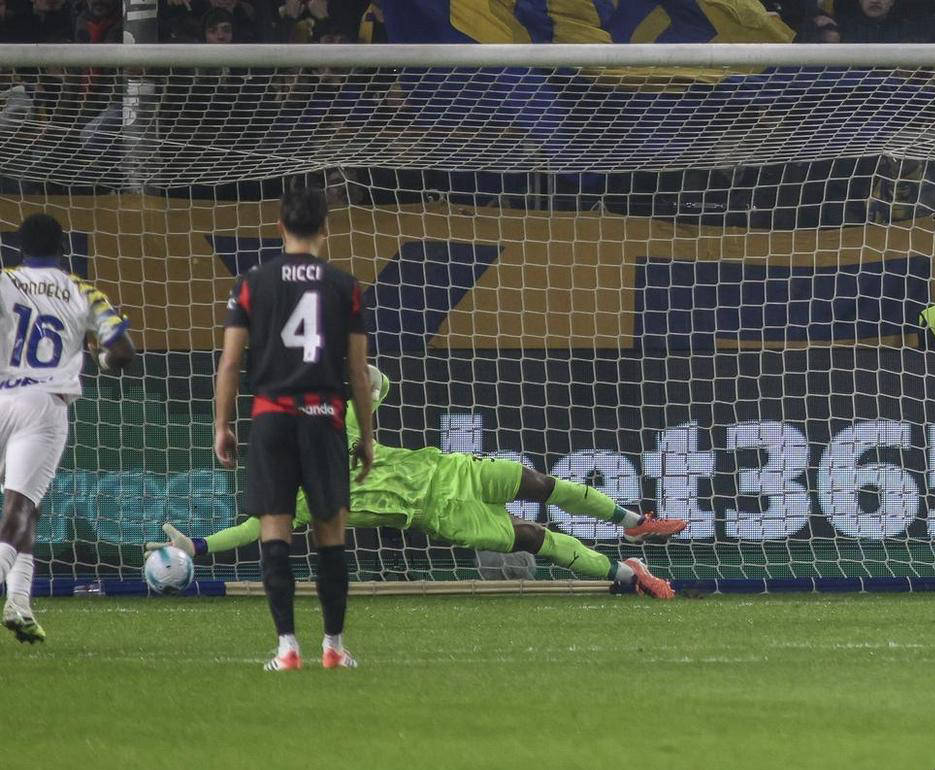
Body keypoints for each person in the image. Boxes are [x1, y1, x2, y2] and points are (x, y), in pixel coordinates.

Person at [151, 366, 686, 596]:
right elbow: (254, 529)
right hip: (440, 514)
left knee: (539, 483)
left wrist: (357, 377)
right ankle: (627, 573)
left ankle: (634, 523)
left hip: (450, 469)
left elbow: (377, 383)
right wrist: (197, 545)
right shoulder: (304, 498)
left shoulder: (341, 429)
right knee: (532, 538)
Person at [215, 186, 374, 672]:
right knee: (331, 532)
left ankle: (286, 648)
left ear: (280, 226)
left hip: (271, 418)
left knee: (274, 529)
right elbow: (358, 370)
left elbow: (231, 363)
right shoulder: (345, 286)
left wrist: (223, 424)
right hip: (324, 418)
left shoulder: (251, 283)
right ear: (325, 227)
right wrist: (367, 436)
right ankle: (334, 647)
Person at [0, 213, 135, 643]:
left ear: (20, 247)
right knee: (20, 507)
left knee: (28, 508)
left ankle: (19, 603)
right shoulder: (83, 291)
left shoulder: (4, 280)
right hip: (43, 408)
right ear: (62, 248)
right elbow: (122, 352)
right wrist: (101, 358)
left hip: (2, 396)